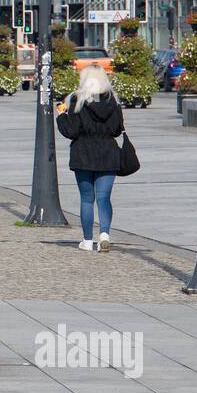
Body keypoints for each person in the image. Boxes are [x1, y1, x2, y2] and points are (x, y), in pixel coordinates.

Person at [56, 64, 125, 252]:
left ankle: (87, 241)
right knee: (104, 198)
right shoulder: (113, 101)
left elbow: (71, 131)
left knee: (87, 199)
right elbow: (118, 130)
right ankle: (104, 234)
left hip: (83, 154)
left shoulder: (76, 100)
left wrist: (61, 115)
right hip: (108, 153)